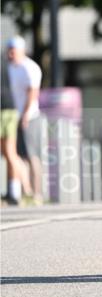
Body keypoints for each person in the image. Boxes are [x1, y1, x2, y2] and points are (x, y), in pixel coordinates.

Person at [7, 36, 43, 204]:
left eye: (13, 51)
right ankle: (24, 191)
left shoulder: (30, 68)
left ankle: (37, 193)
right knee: (17, 155)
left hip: (30, 116)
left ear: (21, 51)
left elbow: (33, 93)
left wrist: (26, 114)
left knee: (31, 155)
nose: (10, 54)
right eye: (9, 51)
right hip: (14, 116)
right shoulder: (10, 68)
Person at [1, 47, 22, 205]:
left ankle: (18, 191)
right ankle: (14, 192)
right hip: (9, 108)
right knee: (10, 152)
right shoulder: (4, 58)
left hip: (4, 110)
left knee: (9, 152)